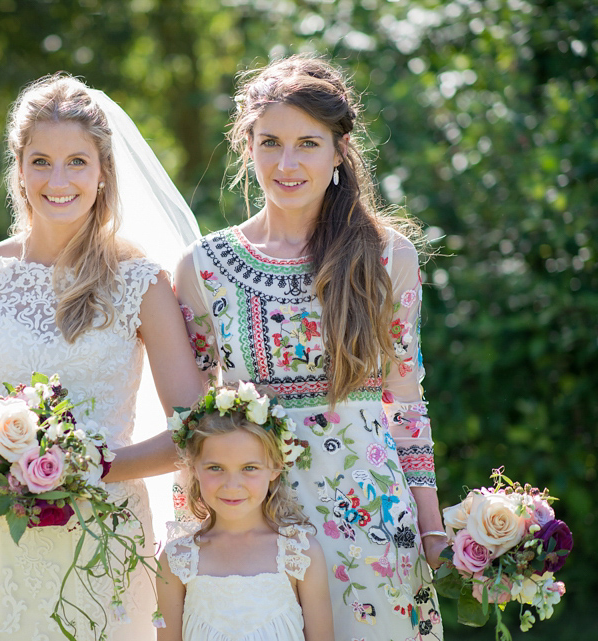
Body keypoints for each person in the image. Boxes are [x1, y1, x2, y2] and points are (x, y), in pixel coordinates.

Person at [173, 54, 445, 639]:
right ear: (247, 146)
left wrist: (433, 529)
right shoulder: (203, 268)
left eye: (308, 144)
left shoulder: (387, 257)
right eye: (270, 142)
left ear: (339, 150)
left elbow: (407, 402)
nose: (287, 163)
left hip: (371, 521)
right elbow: (196, 416)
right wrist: (194, 528)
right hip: (255, 520)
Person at [0, 73, 205, 641]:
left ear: (104, 172)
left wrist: (92, 467)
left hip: (103, 537)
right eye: (40, 161)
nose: (57, 180)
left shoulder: (142, 283)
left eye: (77, 162)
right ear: (18, 169)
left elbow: (193, 427)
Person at [156, 382, 333, 641]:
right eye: (216, 468)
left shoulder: (301, 553)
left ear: (275, 467)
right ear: (193, 467)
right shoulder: (176, 561)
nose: (232, 485)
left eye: (249, 468)